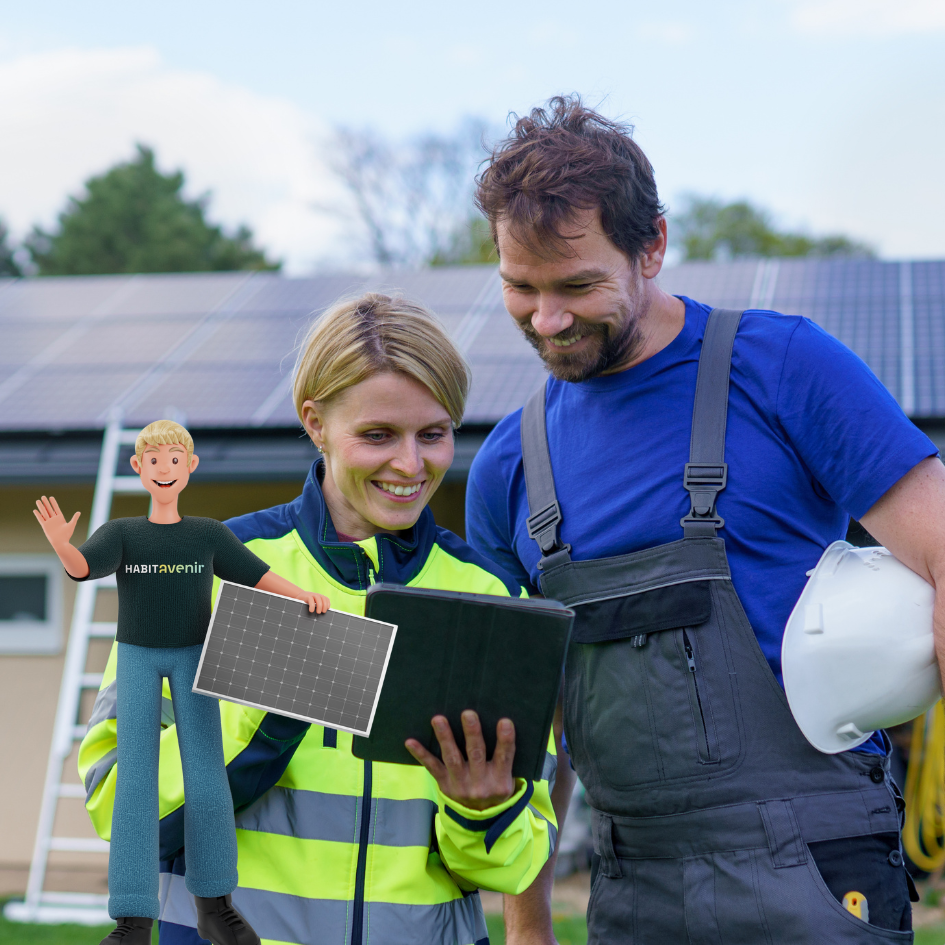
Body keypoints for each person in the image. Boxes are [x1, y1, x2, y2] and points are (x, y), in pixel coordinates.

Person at [466, 95, 945, 943]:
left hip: (816, 864)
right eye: (519, 287)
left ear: (651, 245)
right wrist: (529, 923)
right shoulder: (509, 464)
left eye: (576, 285)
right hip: (629, 883)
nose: (545, 319)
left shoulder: (781, 367)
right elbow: (527, 724)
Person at [78, 294, 558, 945]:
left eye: (434, 433)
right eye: (378, 435)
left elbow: (519, 857)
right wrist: (264, 697)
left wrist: (485, 808)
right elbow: (114, 805)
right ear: (315, 422)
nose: (411, 466)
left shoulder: (495, 598)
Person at [37, 421, 329, 945]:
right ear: (138, 469)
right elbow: (83, 568)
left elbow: (256, 575)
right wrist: (63, 546)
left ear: (190, 467)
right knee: (136, 789)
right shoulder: (124, 533)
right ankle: (131, 921)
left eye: (175, 460)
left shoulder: (209, 535)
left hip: (195, 662)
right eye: (154, 462)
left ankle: (216, 906)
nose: (165, 470)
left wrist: (302, 597)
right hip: (137, 662)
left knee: (208, 782)